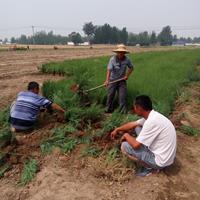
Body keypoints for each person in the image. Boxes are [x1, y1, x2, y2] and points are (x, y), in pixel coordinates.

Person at [111, 95, 177, 177]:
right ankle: (149, 162)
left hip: (160, 161)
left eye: (135, 107)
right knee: (137, 127)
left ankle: (149, 167)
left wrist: (126, 135)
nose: (134, 109)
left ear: (139, 108)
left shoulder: (151, 122)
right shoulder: (153, 116)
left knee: (124, 146)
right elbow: (133, 124)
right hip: (166, 157)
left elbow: (135, 145)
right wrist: (117, 129)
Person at [104, 44, 133, 113]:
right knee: (110, 95)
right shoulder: (112, 59)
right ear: (117, 52)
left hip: (122, 81)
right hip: (112, 80)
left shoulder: (127, 59)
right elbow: (109, 70)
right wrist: (107, 80)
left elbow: (131, 68)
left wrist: (127, 75)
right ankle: (108, 109)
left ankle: (122, 112)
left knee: (122, 96)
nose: (121, 54)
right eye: (119, 52)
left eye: (122, 52)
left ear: (124, 53)